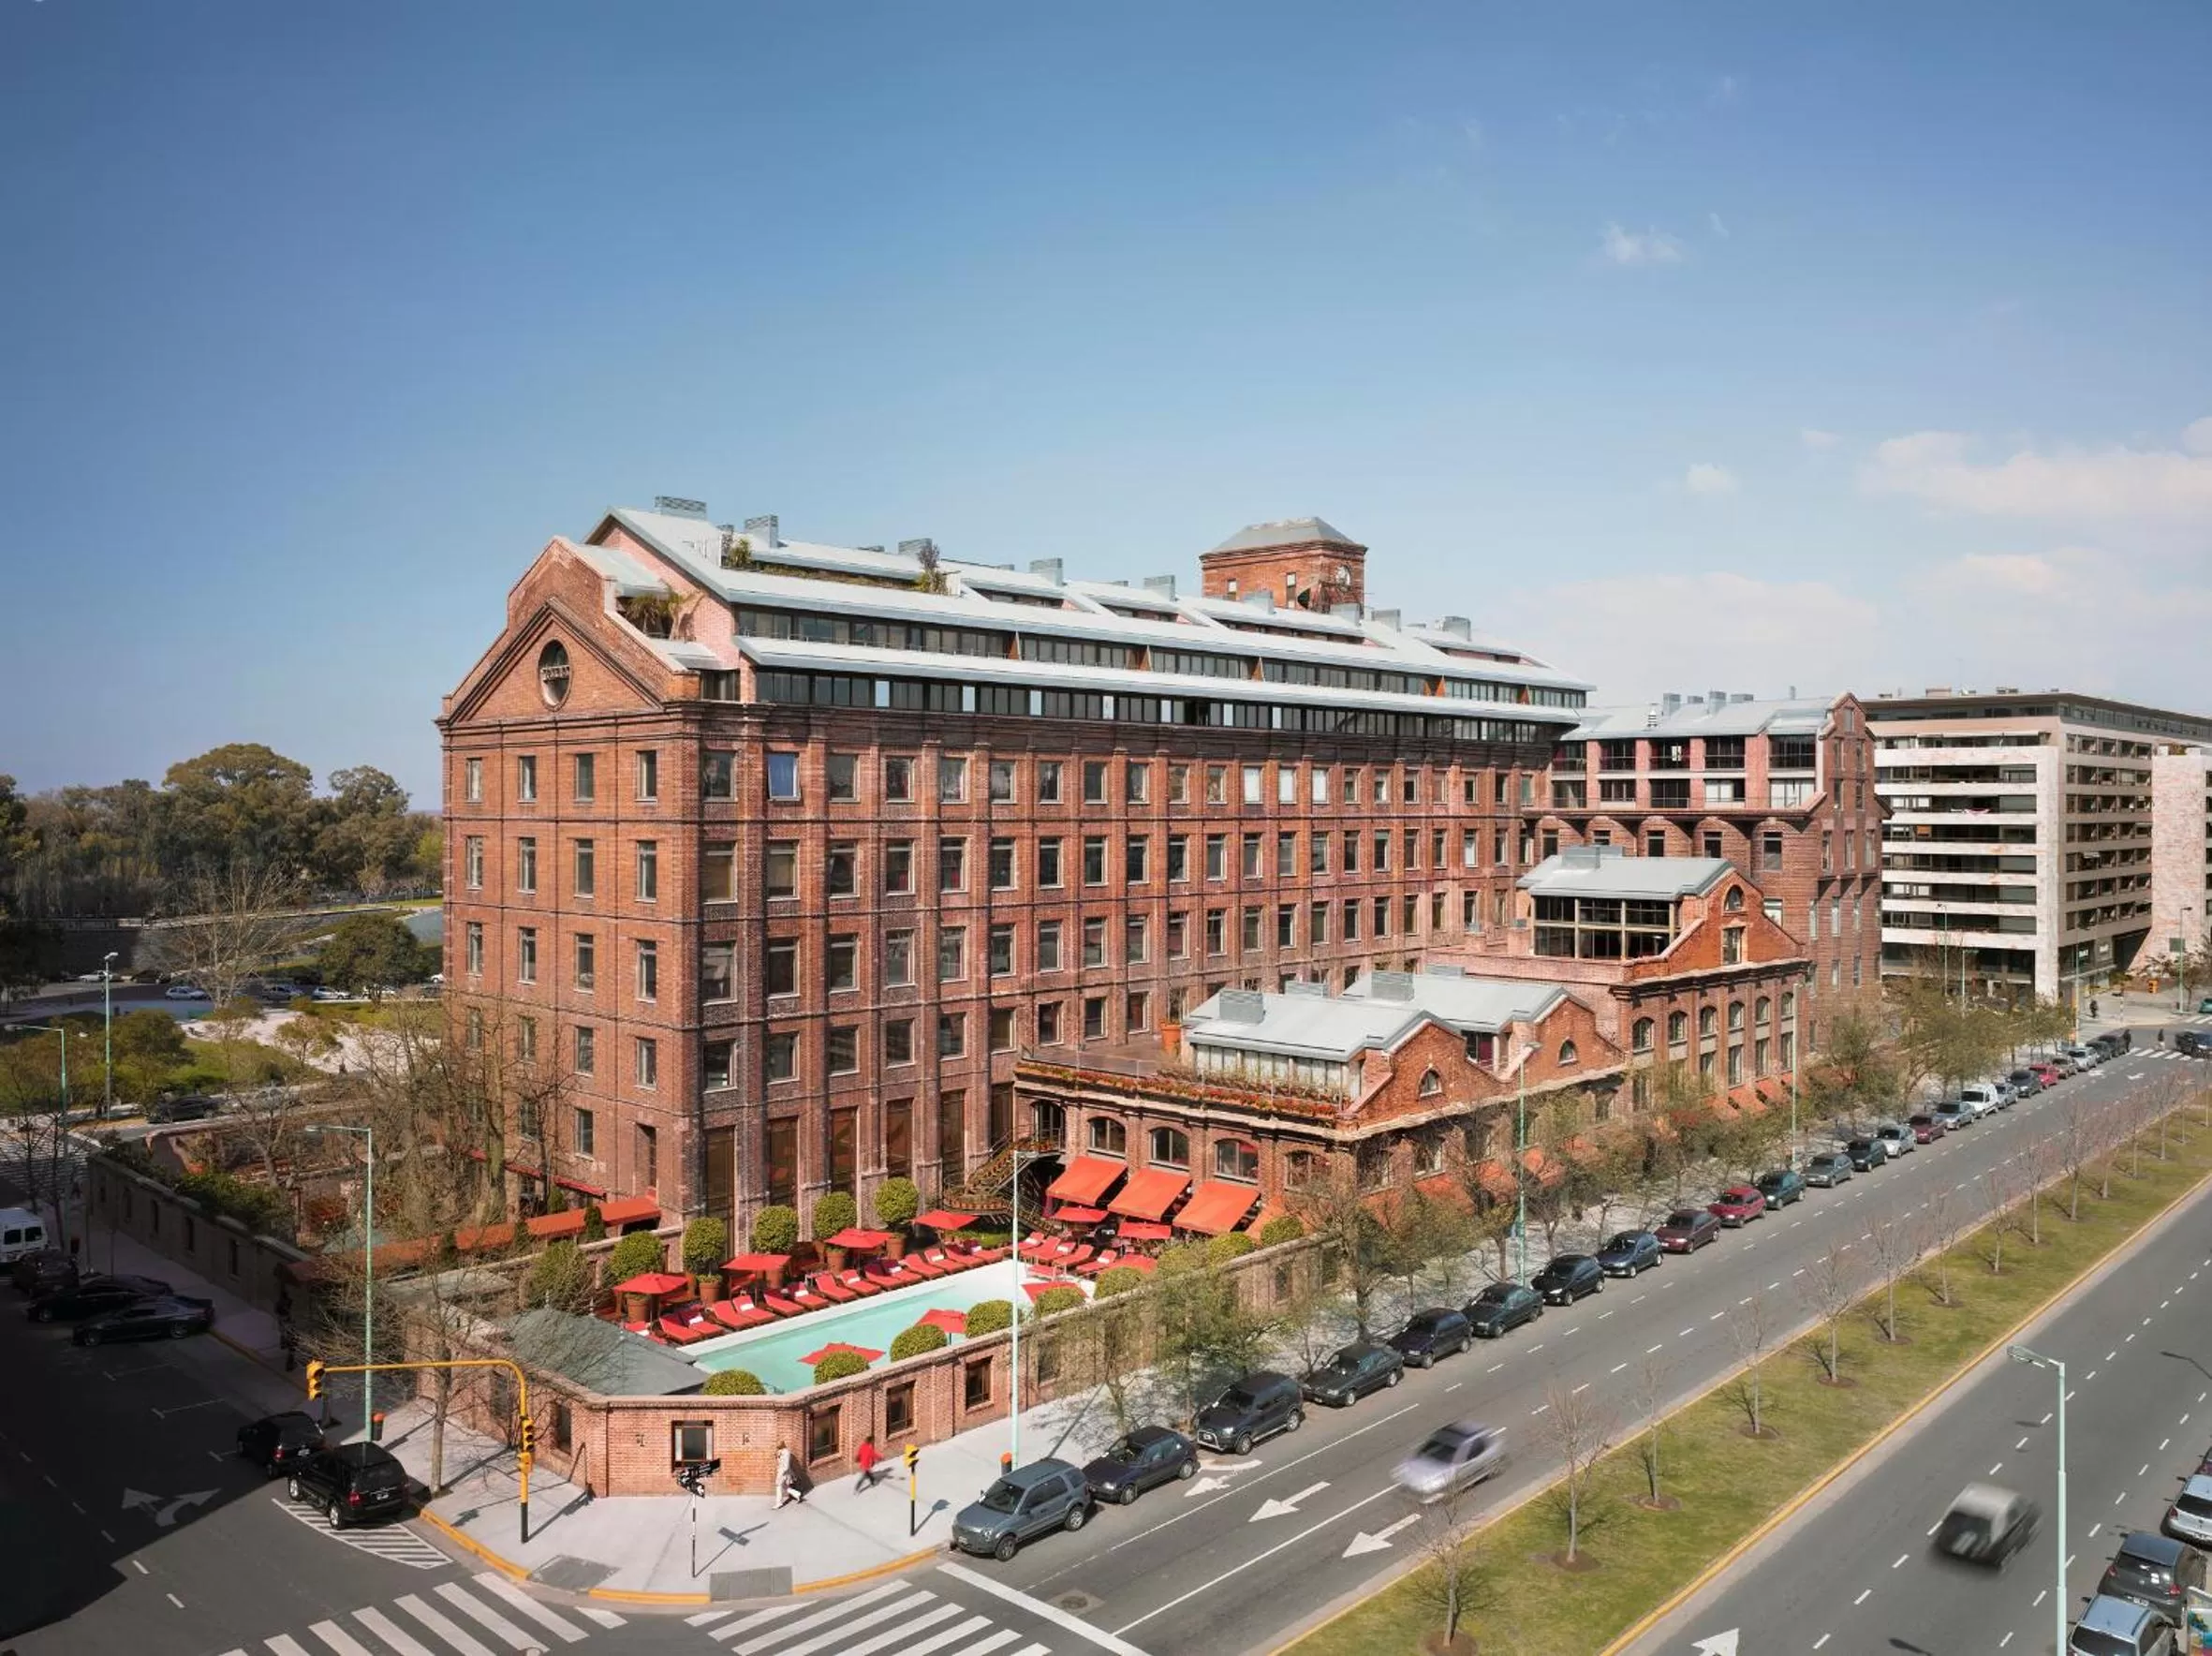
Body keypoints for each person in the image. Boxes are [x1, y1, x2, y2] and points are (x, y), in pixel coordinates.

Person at [774, 1442, 801, 1508]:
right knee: (784, 1487)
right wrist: (778, 1456)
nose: (777, 1447)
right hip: (782, 1471)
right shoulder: (781, 1451)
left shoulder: (786, 1453)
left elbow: (786, 1466)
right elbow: (779, 1462)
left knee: (778, 1486)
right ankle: (797, 1494)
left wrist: (782, 1473)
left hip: (784, 1472)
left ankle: (779, 1503)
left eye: (778, 1446)